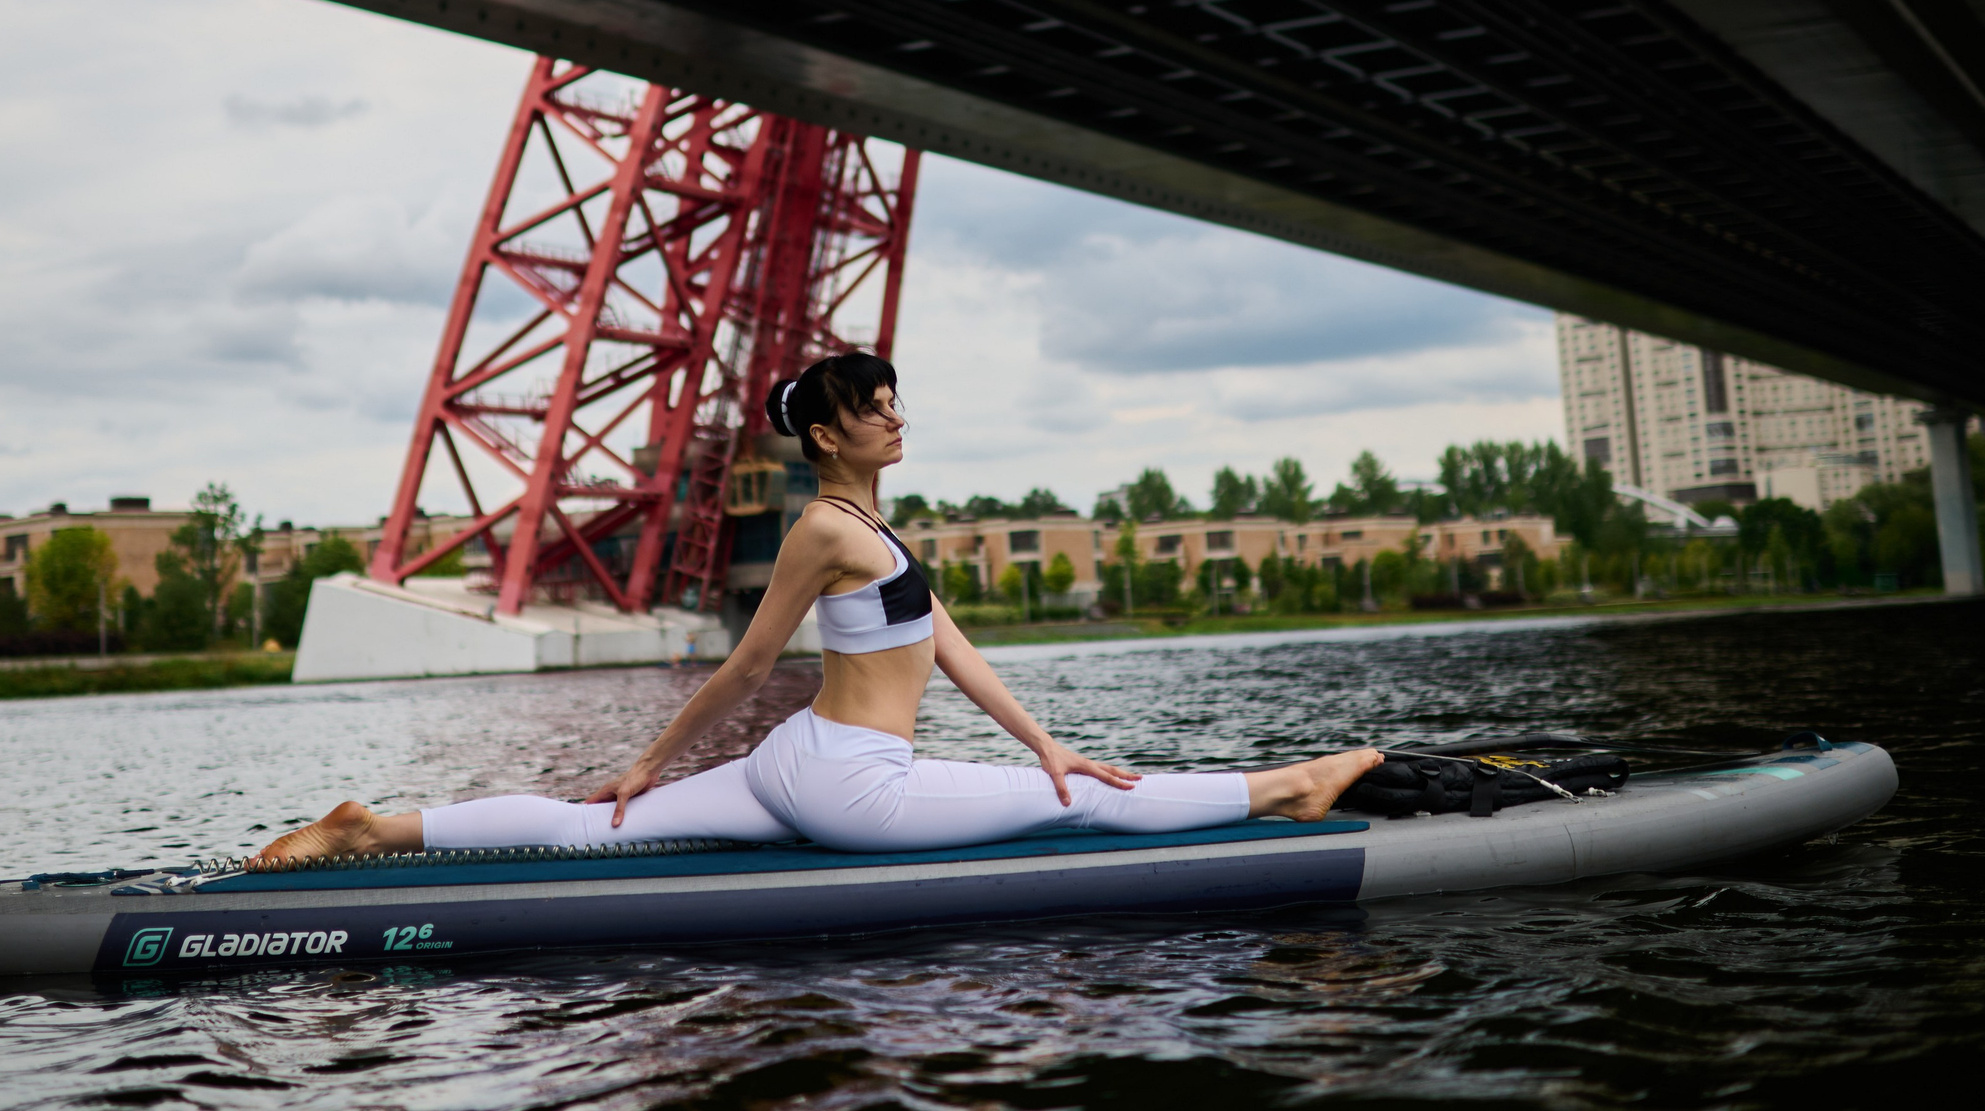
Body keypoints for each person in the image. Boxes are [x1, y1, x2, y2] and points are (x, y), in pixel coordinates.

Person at [253, 352, 1381, 865]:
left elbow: (952, 645)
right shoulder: (826, 527)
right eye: (871, 409)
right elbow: (747, 667)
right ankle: (1289, 785)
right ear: (826, 434)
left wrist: (1049, 742)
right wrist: (649, 755)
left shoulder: (880, 532)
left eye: (895, 403)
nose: (894, 418)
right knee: (1075, 814)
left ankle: (370, 829)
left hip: (801, 761)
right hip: (850, 784)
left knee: (580, 823)